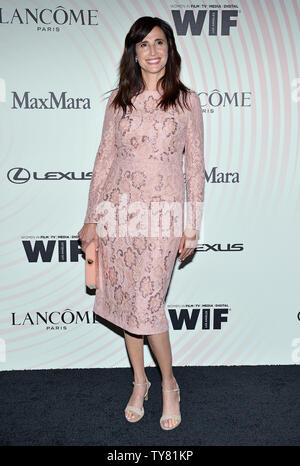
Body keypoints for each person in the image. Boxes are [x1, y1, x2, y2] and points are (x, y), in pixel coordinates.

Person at [78, 16, 205, 431]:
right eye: (143, 45)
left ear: (170, 49)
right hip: (118, 214)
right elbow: (104, 162)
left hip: (163, 217)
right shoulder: (119, 101)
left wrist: (193, 224)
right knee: (126, 305)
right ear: (133, 52)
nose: (152, 52)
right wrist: (91, 220)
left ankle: (169, 384)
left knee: (148, 304)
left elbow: (195, 168)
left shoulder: (187, 101)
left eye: (159, 43)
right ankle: (139, 382)